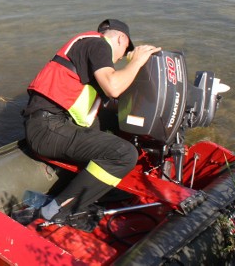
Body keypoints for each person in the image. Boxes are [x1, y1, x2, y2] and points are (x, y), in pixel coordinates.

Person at [18, 19, 161, 228]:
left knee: (114, 129)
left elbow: (108, 103)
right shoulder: (98, 44)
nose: (121, 57)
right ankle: (57, 211)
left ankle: (93, 190)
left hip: (52, 125)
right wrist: (137, 61)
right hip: (47, 128)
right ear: (121, 38)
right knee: (125, 153)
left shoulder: (87, 57)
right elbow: (113, 87)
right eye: (124, 51)